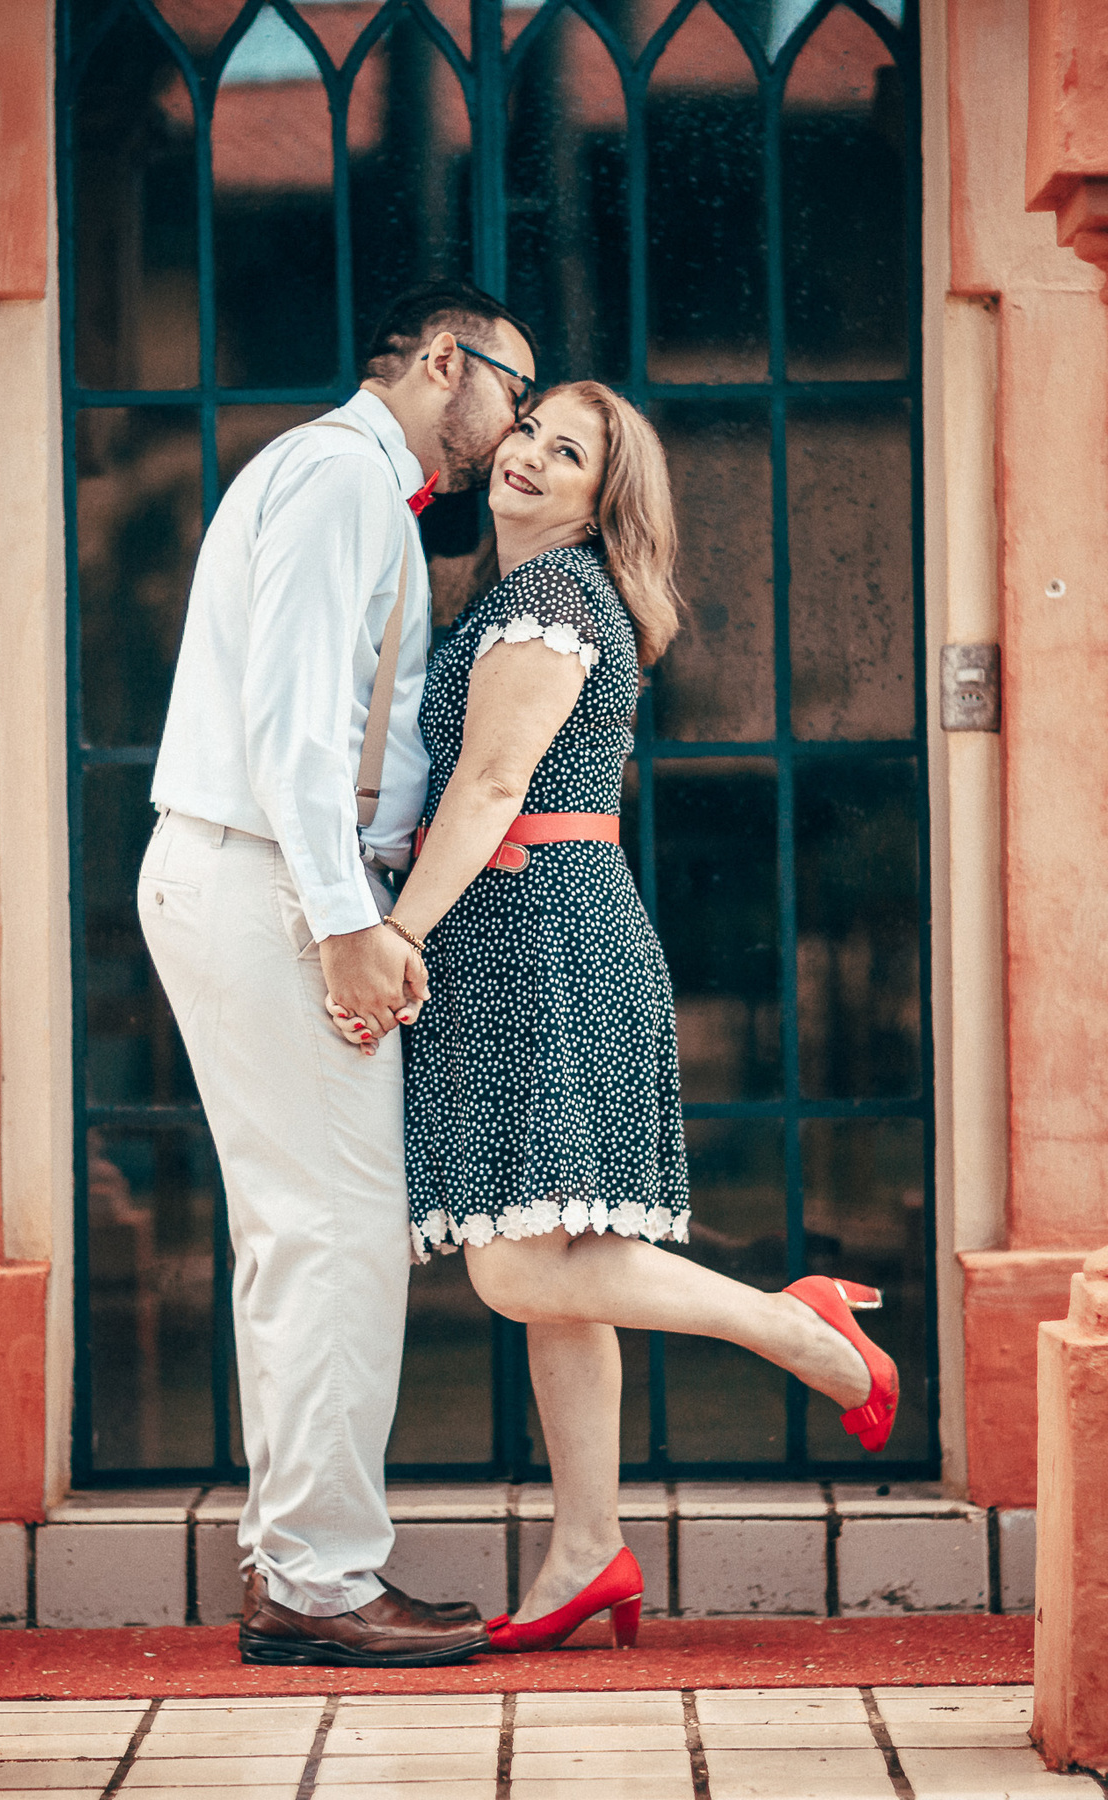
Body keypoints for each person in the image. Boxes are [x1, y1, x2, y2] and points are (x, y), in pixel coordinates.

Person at [328, 380, 899, 1651]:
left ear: (602, 498)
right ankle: (588, 1551)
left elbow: (488, 780)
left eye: (566, 450)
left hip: (536, 932)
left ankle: (794, 1327)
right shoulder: (524, 597)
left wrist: (397, 933)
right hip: (542, 924)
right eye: (528, 432)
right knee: (562, 1269)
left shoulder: (547, 599)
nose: (528, 455)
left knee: (520, 1261)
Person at [139, 281, 537, 1668]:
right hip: (266, 878)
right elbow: (293, 721)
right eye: (512, 388)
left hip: (254, 876)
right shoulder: (338, 474)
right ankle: (318, 1582)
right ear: (444, 361)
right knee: (339, 1232)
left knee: (300, 1235)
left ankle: (294, 1564)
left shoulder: (342, 482)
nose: (517, 423)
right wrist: (342, 920)